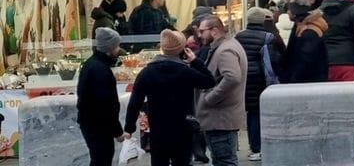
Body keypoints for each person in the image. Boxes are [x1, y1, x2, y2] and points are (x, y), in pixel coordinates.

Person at [124, 29, 216, 166]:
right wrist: (195, 61)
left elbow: (135, 102)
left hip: (158, 129)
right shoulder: (185, 71)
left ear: (161, 48)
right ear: (182, 50)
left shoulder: (147, 72)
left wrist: (129, 128)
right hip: (183, 128)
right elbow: (209, 81)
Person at [195, 16, 247, 166]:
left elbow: (232, 78)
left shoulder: (225, 50)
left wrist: (210, 98)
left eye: (202, 31)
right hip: (221, 117)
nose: (199, 35)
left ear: (215, 30)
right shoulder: (225, 46)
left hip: (221, 118)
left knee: (224, 161)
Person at [236, 8, 284, 162]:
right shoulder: (268, 37)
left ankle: (254, 147)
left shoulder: (238, 36)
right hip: (261, 79)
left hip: (244, 78)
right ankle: (261, 146)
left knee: (252, 113)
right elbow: (274, 60)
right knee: (259, 112)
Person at [77, 27, 124, 166]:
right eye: (117, 46)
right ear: (109, 48)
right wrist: (118, 131)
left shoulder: (92, 64)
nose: (119, 49)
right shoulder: (101, 71)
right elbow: (106, 105)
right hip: (98, 125)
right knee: (102, 159)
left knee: (99, 158)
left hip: (91, 122)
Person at [280, 0, 330, 83]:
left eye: (289, 9)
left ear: (295, 12)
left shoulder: (308, 31)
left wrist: (294, 79)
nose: (287, 12)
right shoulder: (300, 27)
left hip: (307, 82)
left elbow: (306, 60)